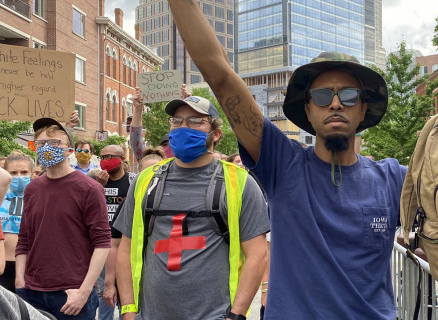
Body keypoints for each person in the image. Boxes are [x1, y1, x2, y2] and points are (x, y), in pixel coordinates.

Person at [138, 0, 438, 319]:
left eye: (349, 94)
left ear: (364, 109)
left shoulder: (393, 178)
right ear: (307, 108)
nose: (336, 103)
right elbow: (218, 72)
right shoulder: (282, 164)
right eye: (323, 95)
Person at [114, 95, 270, 320]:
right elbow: (126, 250)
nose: (183, 128)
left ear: (215, 134)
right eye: (177, 121)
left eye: (196, 121)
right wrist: (128, 312)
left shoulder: (240, 183)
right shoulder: (145, 181)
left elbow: (257, 254)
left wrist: (235, 316)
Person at [17, 117, 111, 319]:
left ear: (69, 150)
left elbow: (102, 243)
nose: (47, 148)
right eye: (41, 143)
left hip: (72, 294)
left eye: (54, 143)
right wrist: (20, 281)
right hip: (32, 292)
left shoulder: (89, 188)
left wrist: (84, 291)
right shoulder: (32, 189)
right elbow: (24, 238)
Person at [96, 145, 138, 320]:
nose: (106, 161)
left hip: (124, 243)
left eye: (111, 157)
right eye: (103, 157)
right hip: (101, 245)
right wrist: (98, 187)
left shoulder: (132, 181)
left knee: (124, 293)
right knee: (103, 294)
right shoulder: (95, 180)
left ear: (122, 159)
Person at [0, 152, 35, 292]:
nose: (19, 176)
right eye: (13, 173)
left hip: (29, 264)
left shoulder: (38, 196)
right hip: (3, 265)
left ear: (31, 173)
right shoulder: (1, 195)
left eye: (24, 172)